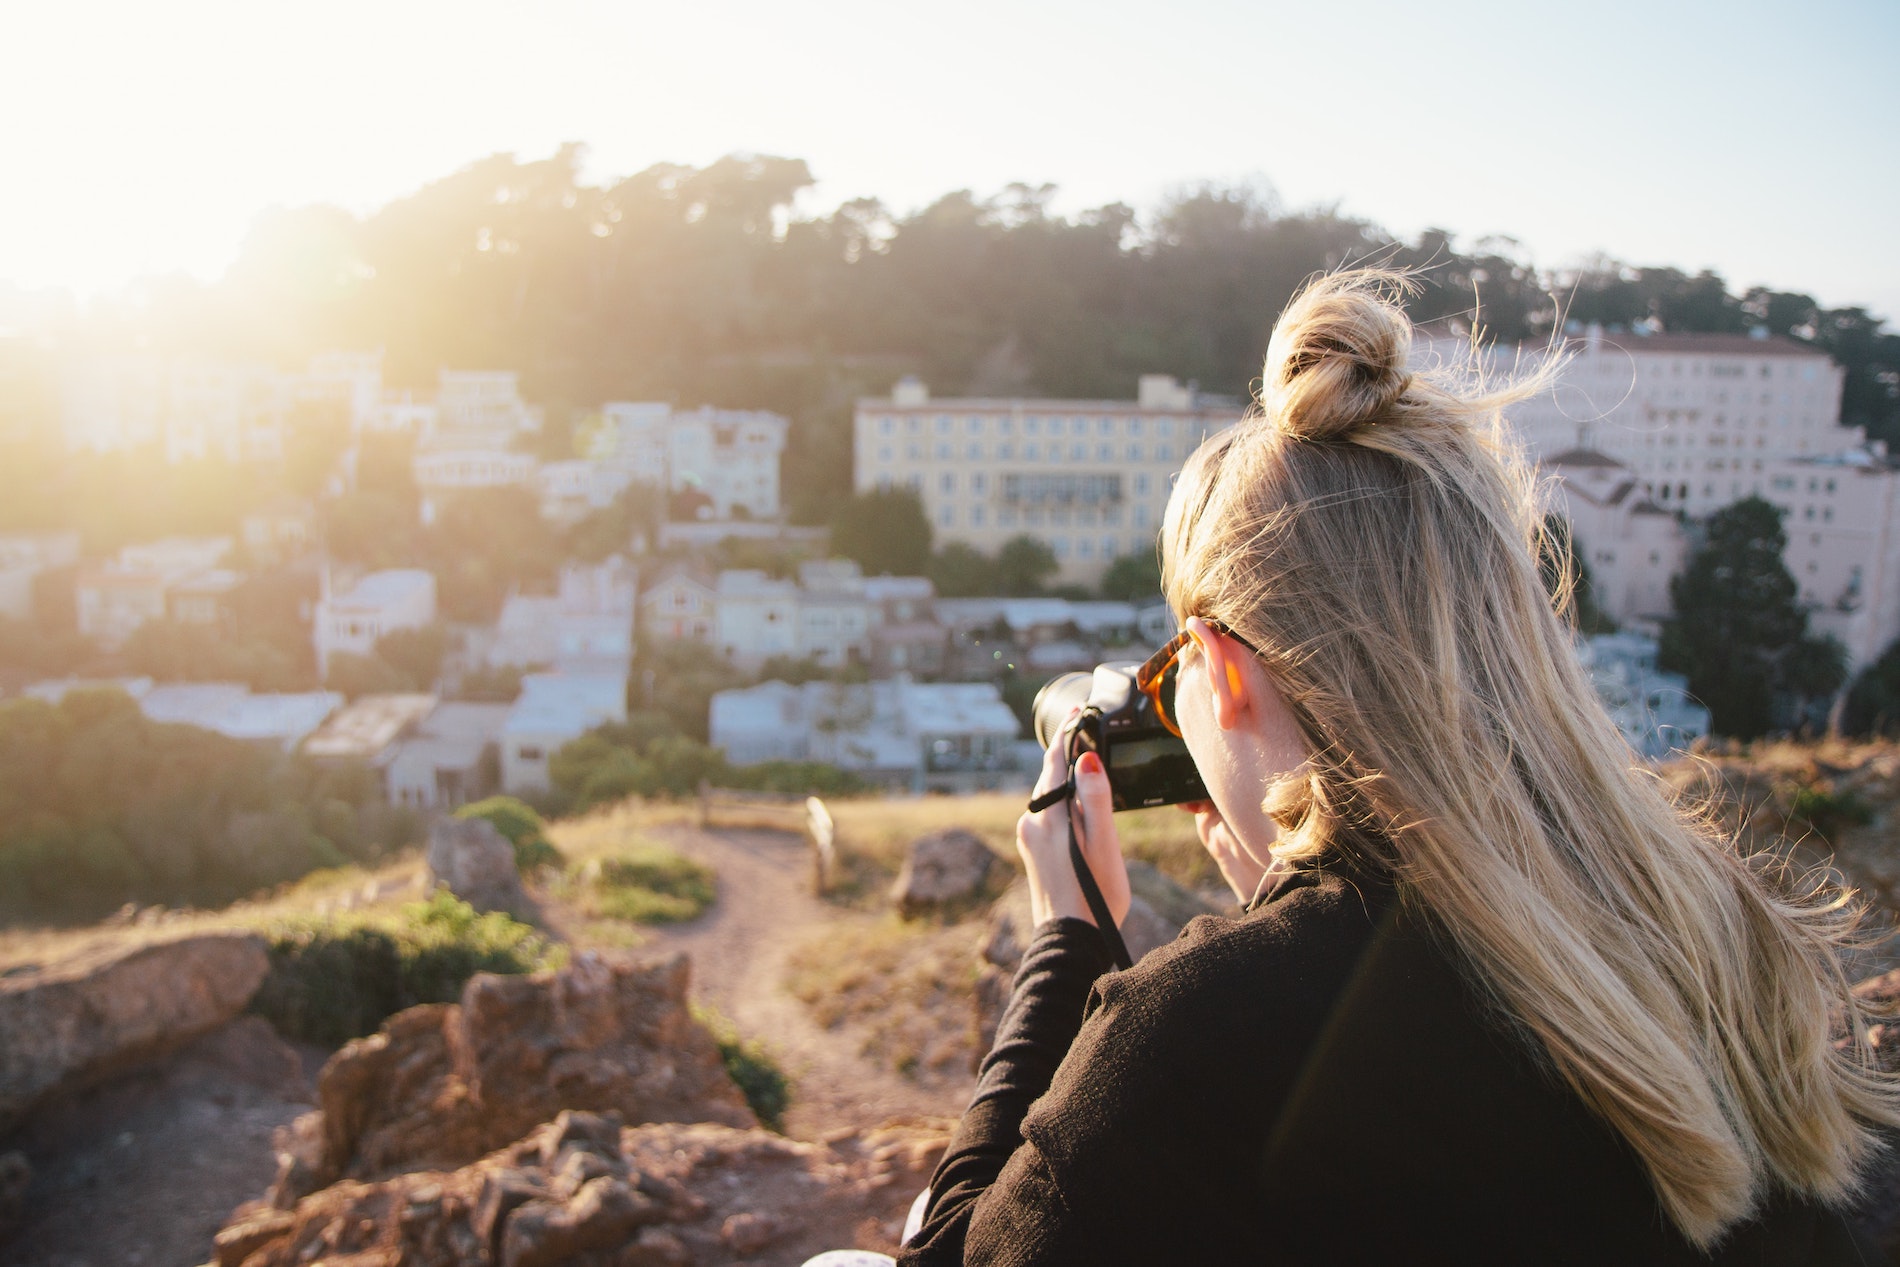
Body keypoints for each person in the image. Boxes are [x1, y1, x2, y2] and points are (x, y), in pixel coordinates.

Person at [895, 271, 1900, 1265]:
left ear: (1220, 667)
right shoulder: (1715, 929)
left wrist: (1067, 937)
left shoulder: (1199, 1033)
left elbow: (952, 1254)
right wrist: (1281, 918)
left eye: (1171, 684)